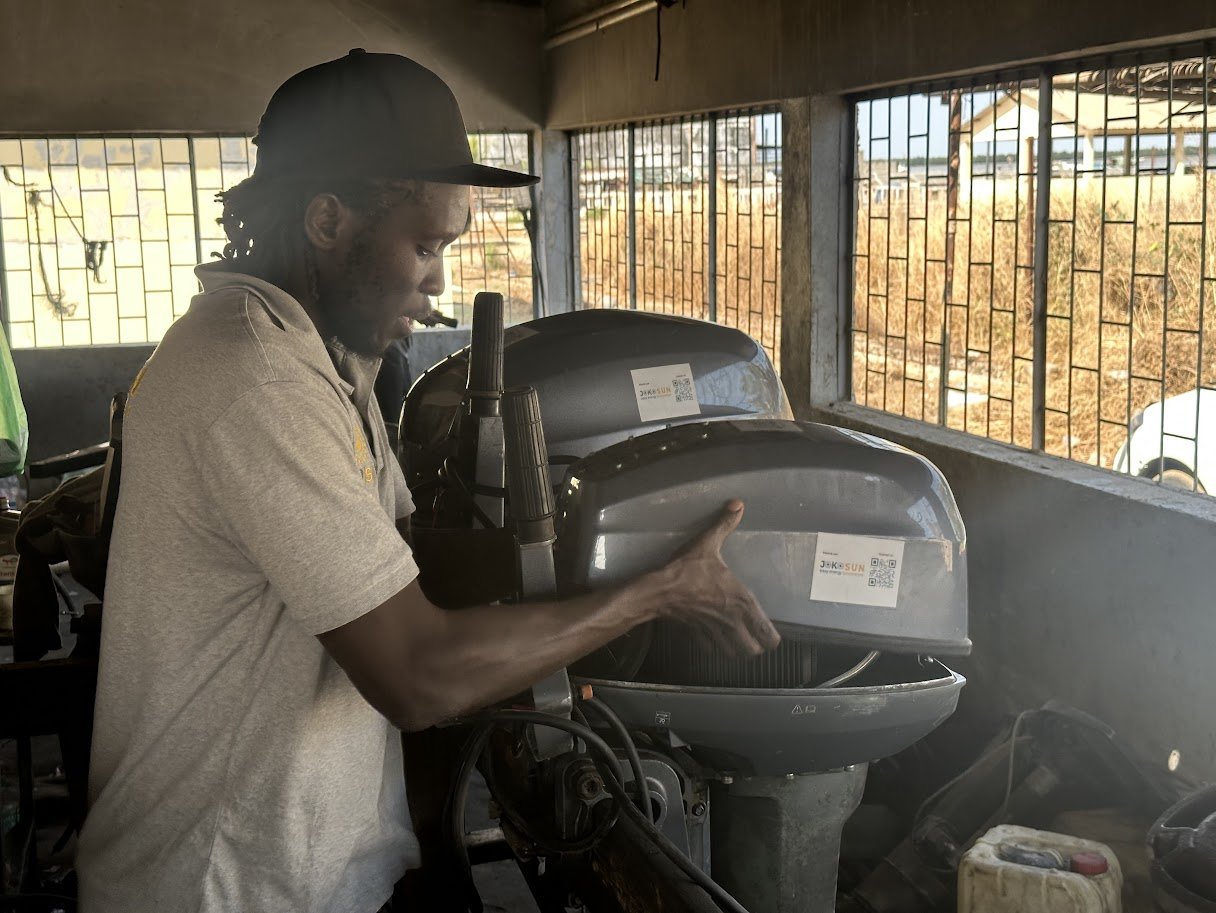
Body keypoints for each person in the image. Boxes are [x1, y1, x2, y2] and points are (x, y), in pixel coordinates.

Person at [75, 50, 779, 913]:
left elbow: (407, 562)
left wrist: (601, 545)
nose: (440, 280)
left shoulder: (320, 357)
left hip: (298, 876)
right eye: (424, 244)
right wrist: (654, 594)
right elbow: (414, 675)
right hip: (220, 888)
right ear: (327, 219)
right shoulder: (257, 378)